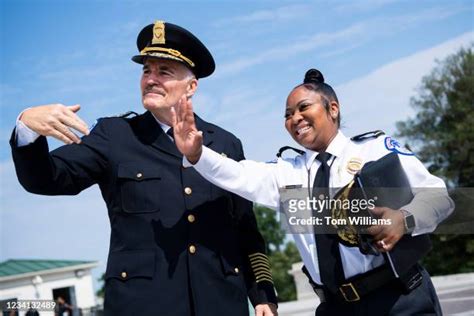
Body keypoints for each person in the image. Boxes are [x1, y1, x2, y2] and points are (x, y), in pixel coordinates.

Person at [10, 21, 278, 316]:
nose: (151, 79)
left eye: (164, 71)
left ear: (191, 86)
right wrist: (27, 129)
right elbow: (46, 179)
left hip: (220, 303)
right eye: (146, 70)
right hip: (142, 305)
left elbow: (246, 230)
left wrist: (263, 294)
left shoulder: (225, 144)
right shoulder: (114, 135)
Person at [172, 68, 454, 315]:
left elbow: (439, 197)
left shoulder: (374, 149)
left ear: (333, 108)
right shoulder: (287, 173)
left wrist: (404, 219)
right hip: (335, 306)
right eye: (288, 114)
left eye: (303, 107)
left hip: (398, 299)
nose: (295, 118)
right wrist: (197, 154)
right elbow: (236, 174)